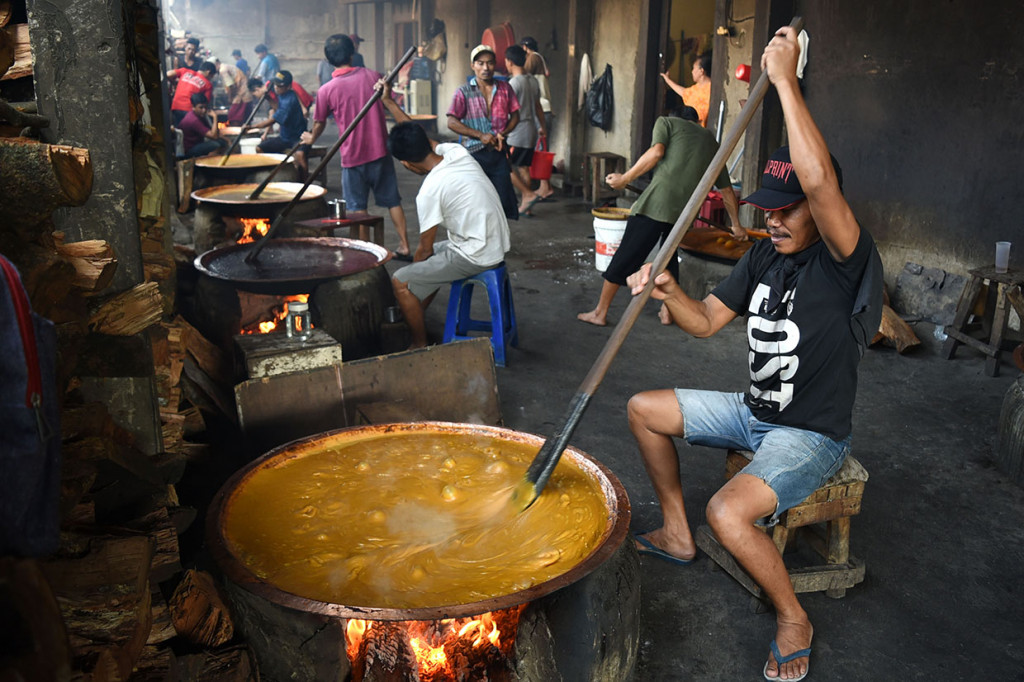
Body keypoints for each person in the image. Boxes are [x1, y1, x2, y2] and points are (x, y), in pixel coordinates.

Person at [624, 25, 882, 682]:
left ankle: (794, 615)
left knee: (729, 511)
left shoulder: (845, 259)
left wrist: (787, 82)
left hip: (810, 433)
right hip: (754, 411)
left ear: (817, 213)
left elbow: (821, 183)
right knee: (643, 409)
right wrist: (670, 289)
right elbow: (709, 321)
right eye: (766, 207)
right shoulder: (766, 253)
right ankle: (678, 535)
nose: (770, 219)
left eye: (786, 211)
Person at [578, 105, 745, 327]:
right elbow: (726, 190)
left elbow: (656, 152)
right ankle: (668, 312)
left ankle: (600, 312)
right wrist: (736, 225)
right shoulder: (710, 141)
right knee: (668, 259)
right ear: (696, 122)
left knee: (626, 256)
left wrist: (624, 179)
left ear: (675, 118)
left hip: (655, 205)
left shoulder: (666, 122)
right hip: (684, 213)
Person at [378, 79, 511, 350]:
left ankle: (418, 343)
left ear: (406, 163)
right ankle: (415, 313)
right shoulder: (456, 152)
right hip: (493, 240)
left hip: (477, 253)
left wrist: (414, 270)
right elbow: (418, 135)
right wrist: (389, 102)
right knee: (429, 267)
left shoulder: (430, 190)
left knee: (401, 280)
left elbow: (424, 250)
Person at [302, 34, 411, 259]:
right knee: (393, 201)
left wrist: (311, 139)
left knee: (358, 209)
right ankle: (404, 246)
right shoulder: (373, 76)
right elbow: (387, 98)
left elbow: (319, 123)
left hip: (352, 157)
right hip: (380, 151)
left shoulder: (326, 90)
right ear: (352, 53)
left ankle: (366, 254)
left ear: (328, 60)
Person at [446, 44, 521, 221]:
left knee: (503, 201)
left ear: (495, 64)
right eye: (480, 63)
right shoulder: (463, 91)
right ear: (473, 66)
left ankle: (498, 242)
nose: (485, 68)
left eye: (489, 63)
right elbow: (451, 122)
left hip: (498, 152)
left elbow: (516, 116)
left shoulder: (505, 88)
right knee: (475, 201)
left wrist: (504, 132)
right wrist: (480, 135)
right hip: (473, 154)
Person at [503, 45, 546, 217]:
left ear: (509, 62)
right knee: (524, 168)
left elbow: (507, 111)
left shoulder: (514, 83)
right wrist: (542, 127)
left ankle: (528, 195)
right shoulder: (533, 81)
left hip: (517, 131)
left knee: (505, 165)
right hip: (531, 130)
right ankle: (527, 206)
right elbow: (538, 107)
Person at [243, 71, 310, 178]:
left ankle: (305, 183)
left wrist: (252, 127)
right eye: (275, 85)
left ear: (288, 87)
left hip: (298, 137)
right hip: (284, 137)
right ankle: (267, 175)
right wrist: (268, 98)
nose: (276, 88)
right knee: (260, 149)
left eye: (280, 86)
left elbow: (272, 120)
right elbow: (277, 109)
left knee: (300, 156)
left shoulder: (289, 100)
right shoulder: (283, 94)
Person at [521, 36, 555, 201]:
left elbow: (521, 74)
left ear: (526, 47)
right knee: (541, 149)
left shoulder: (533, 57)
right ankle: (544, 186)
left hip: (541, 108)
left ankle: (544, 186)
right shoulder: (540, 58)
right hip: (545, 108)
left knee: (540, 151)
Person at [661, 52, 712, 127]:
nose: (692, 72)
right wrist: (668, 80)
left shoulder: (712, 89)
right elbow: (684, 92)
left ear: (701, 71)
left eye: (694, 68)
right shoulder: (696, 88)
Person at [179, 93, 228, 158]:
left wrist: (227, 140)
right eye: (201, 107)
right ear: (193, 107)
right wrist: (215, 117)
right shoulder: (193, 120)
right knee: (216, 144)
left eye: (205, 107)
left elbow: (214, 132)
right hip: (189, 151)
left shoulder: (199, 115)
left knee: (222, 142)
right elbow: (214, 136)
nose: (204, 110)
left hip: (198, 144)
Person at [167, 60, 216, 125]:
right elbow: (205, 103)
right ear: (208, 72)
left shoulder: (185, 71)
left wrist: (174, 82)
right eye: (212, 76)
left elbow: (168, 74)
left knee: (178, 131)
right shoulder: (208, 84)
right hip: (190, 112)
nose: (211, 78)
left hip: (175, 107)